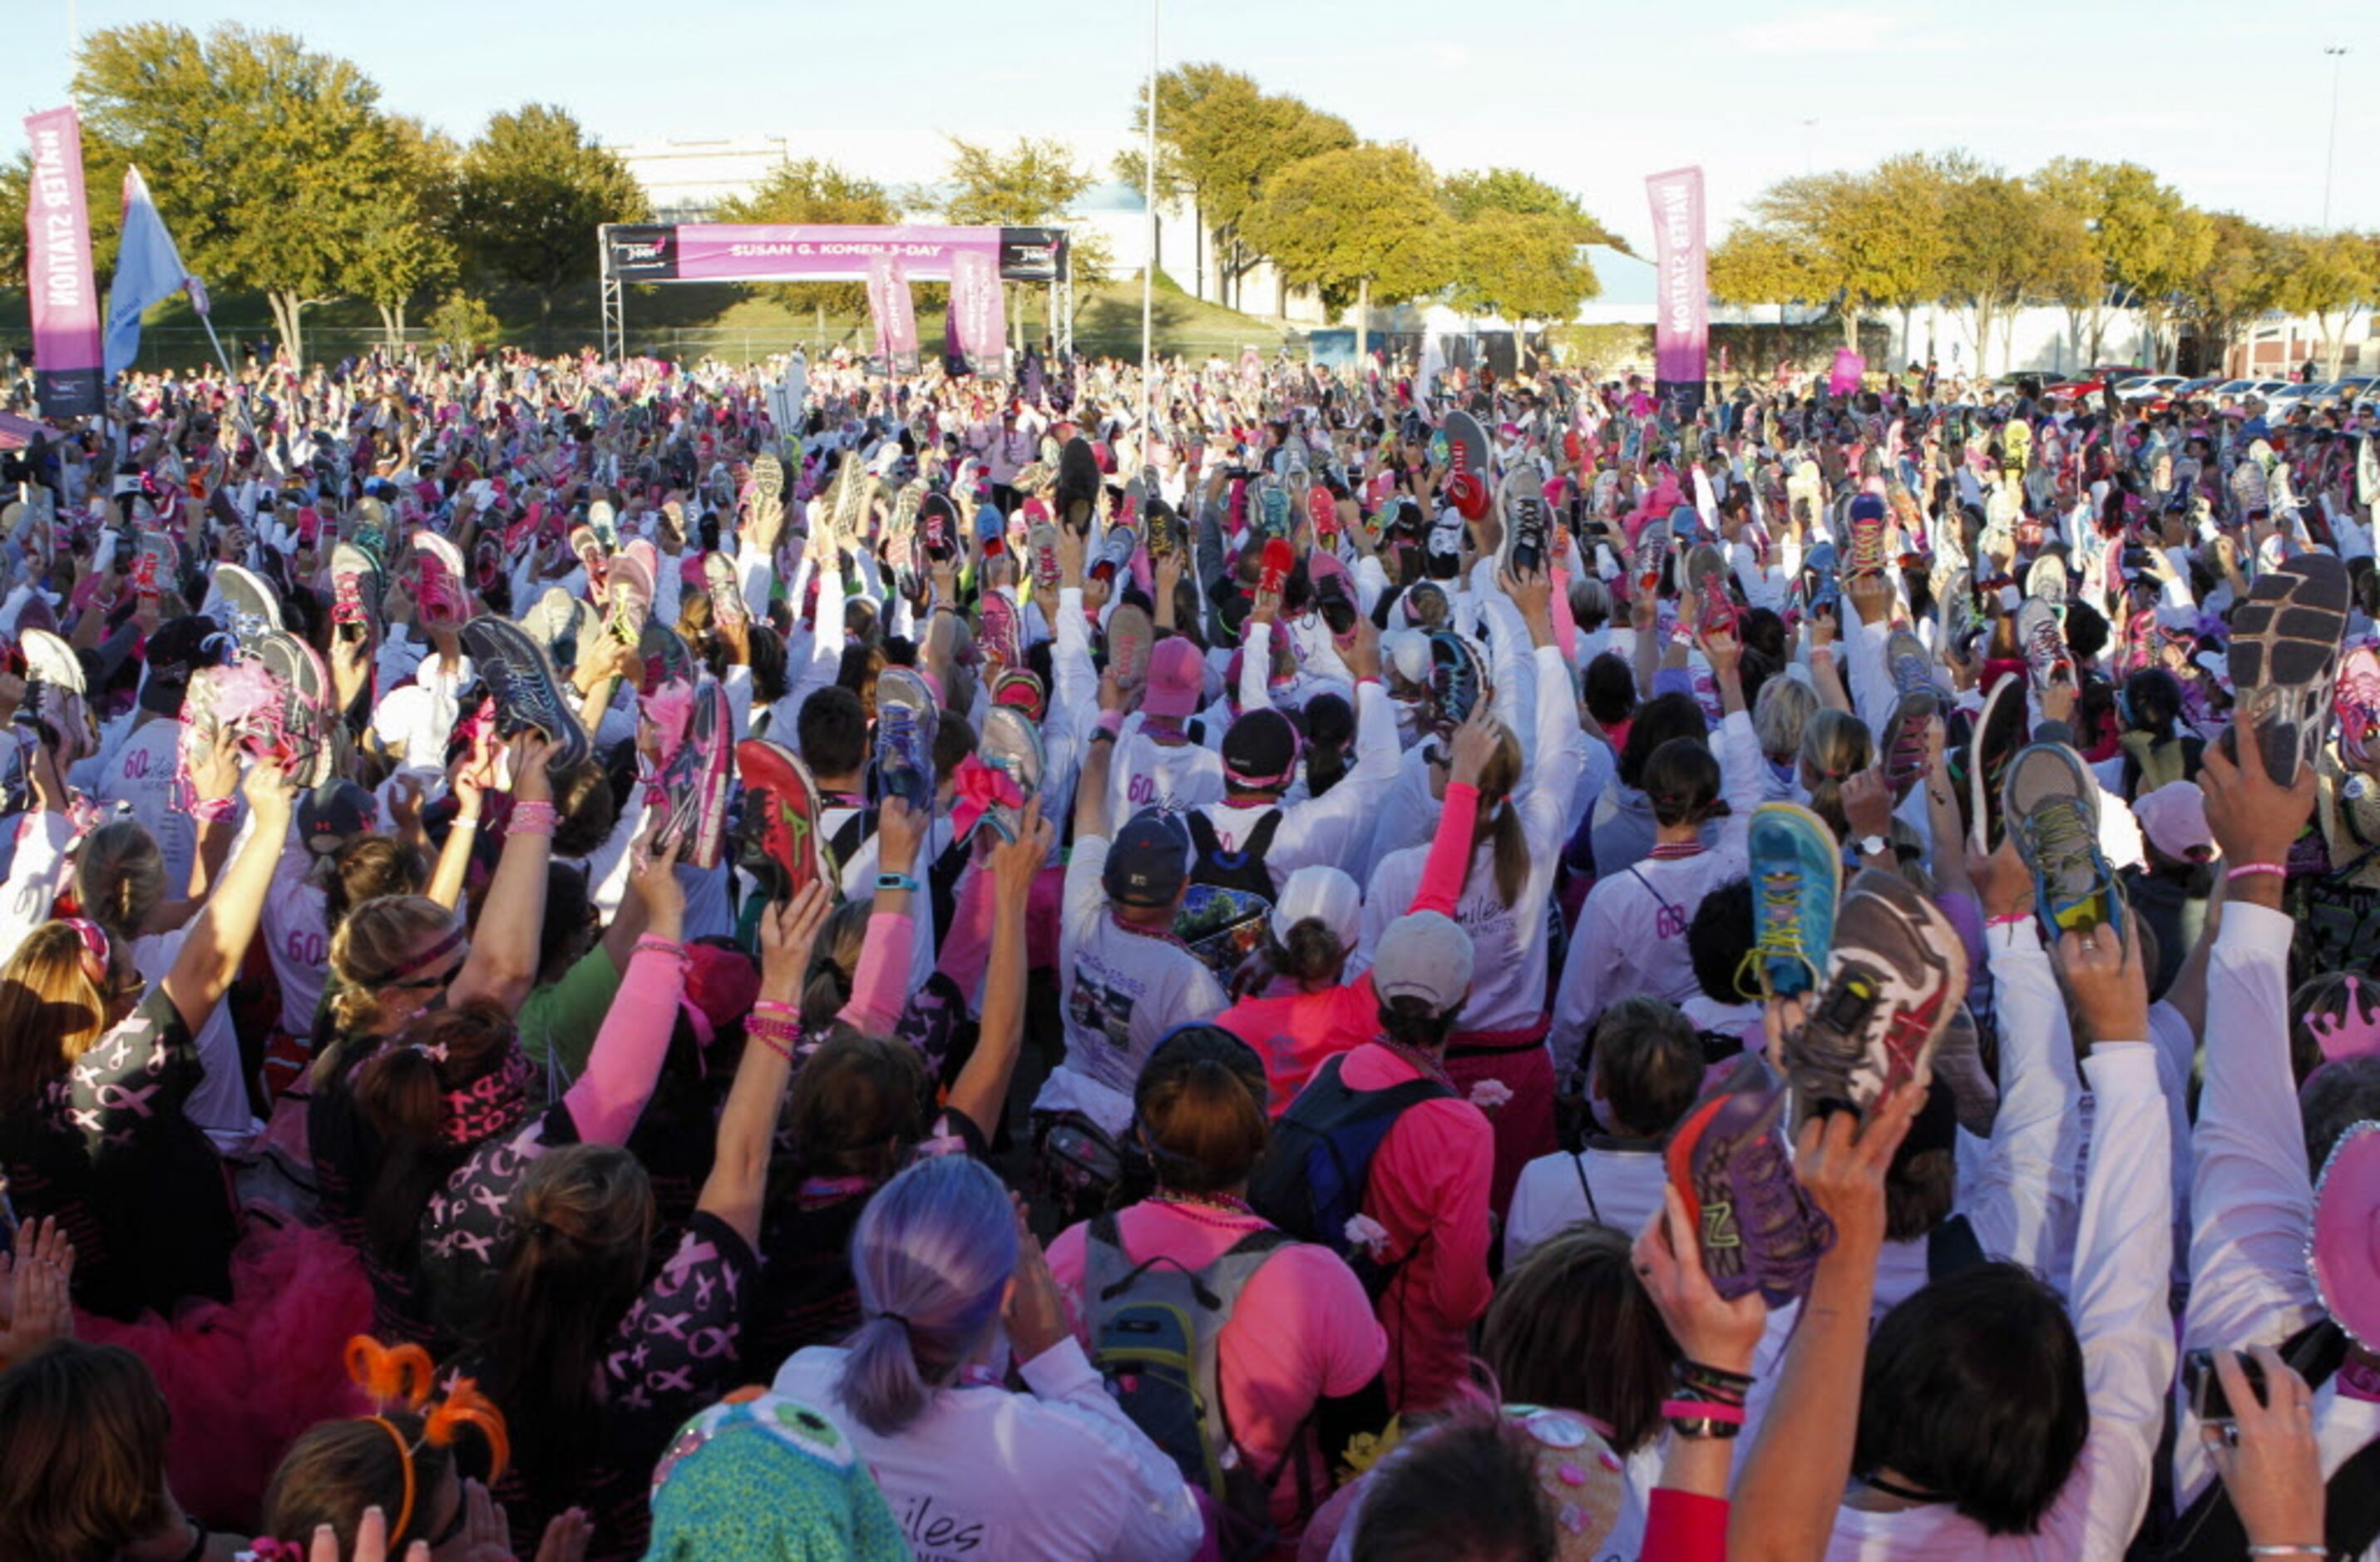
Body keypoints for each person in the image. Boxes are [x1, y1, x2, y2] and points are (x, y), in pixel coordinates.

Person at [1046, 1025, 1389, 1545]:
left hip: (1112, 1537)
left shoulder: (1072, 1254)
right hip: (1263, 1542)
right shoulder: (1318, 1281)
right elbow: (1360, 1460)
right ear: (1259, 1134)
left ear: (1143, 1134)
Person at [772, 1154, 1206, 1561]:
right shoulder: (1067, 1454)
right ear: (1010, 1294)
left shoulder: (799, 1385)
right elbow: (1180, 1531)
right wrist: (1057, 1359)